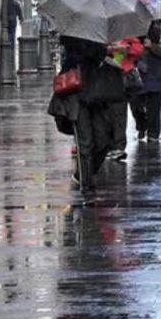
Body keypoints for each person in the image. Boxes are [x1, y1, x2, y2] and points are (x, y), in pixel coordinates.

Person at [62, 35, 124, 205]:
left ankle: (81, 175)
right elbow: (74, 50)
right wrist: (104, 50)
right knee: (85, 142)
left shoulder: (99, 32)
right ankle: (87, 189)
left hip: (97, 92)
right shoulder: (73, 32)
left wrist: (109, 51)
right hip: (77, 91)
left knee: (103, 140)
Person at [107, 36, 145, 160]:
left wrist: (126, 49)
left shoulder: (126, 35)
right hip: (106, 78)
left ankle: (118, 146)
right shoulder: (102, 34)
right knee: (108, 114)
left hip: (123, 78)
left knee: (119, 113)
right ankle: (110, 145)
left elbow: (138, 50)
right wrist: (112, 49)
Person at [135, 22, 161, 142]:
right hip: (138, 75)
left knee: (154, 108)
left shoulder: (160, 30)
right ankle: (142, 126)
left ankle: (153, 133)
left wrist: (152, 46)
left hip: (157, 75)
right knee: (136, 105)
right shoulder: (132, 29)